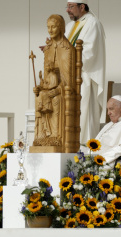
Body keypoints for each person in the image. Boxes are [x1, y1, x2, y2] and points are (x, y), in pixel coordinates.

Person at [65, 0, 106, 144]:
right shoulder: (70, 26)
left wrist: (66, 55)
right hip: (68, 78)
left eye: (71, 7)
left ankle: (82, 154)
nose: (67, 10)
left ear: (82, 7)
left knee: (83, 117)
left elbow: (89, 53)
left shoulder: (92, 23)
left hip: (84, 78)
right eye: (67, 6)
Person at [33, 14, 75, 146]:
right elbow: (47, 79)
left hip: (64, 92)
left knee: (55, 100)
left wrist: (58, 90)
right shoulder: (48, 49)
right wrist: (40, 88)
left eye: (54, 27)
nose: (50, 30)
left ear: (61, 27)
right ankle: (42, 136)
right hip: (50, 90)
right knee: (39, 97)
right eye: (48, 27)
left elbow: (70, 81)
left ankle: (56, 136)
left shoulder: (68, 49)